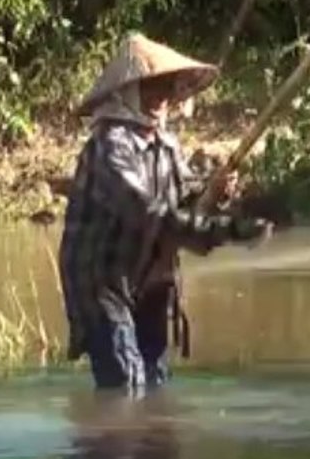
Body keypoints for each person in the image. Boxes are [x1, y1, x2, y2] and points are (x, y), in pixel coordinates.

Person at [59, 33, 271, 391]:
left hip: (150, 277)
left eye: (165, 87)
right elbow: (147, 211)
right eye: (150, 88)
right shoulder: (108, 146)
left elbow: (184, 200)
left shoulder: (167, 144)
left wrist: (214, 192)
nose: (160, 98)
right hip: (102, 280)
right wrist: (228, 231)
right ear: (128, 92)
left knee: (156, 381)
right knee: (126, 383)